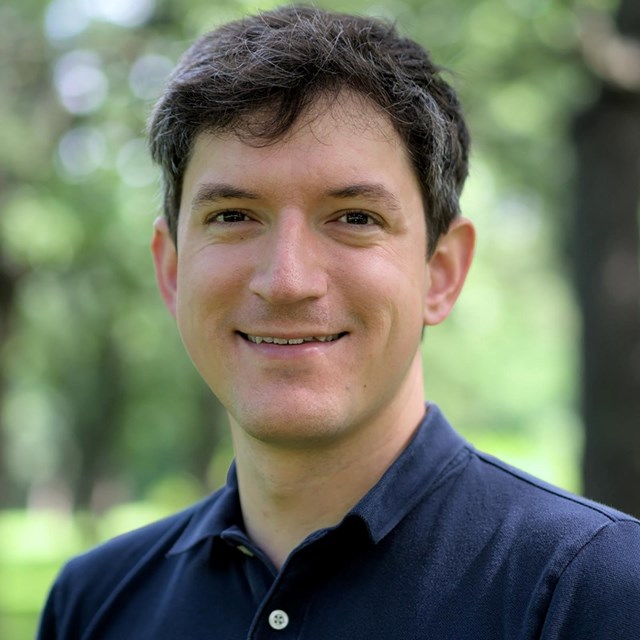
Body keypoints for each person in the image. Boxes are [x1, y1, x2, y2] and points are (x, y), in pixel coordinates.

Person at [38, 5, 640, 639]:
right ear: (171, 269)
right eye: (234, 215)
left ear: (441, 272)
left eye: (354, 217)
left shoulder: (591, 590)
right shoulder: (92, 605)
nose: (287, 280)